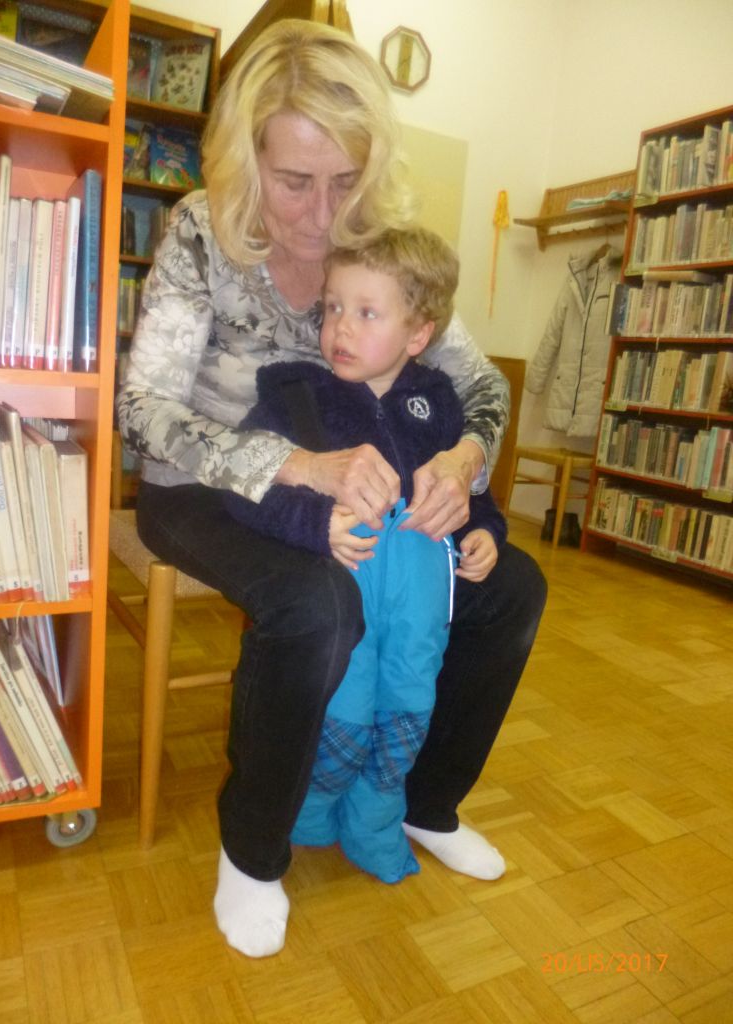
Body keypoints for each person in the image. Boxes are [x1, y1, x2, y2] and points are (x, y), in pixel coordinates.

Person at [117, 18, 547, 959]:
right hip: (203, 484)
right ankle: (252, 848)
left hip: (357, 495)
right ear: (247, 161)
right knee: (319, 604)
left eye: (346, 180)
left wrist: (463, 461)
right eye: (294, 181)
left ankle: (427, 801)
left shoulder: (379, 245)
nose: (322, 214)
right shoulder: (200, 231)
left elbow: (483, 388)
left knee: (511, 585)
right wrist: (296, 466)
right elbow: (141, 411)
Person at [222, 227, 508, 886]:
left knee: (407, 709)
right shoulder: (292, 393)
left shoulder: (439, 401)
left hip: (419, 613)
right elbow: (244, 486)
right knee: (343, 714)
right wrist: (314, 522)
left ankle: (378, 822)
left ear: (418, 334)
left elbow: (469, 494)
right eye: (332, 307)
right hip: (344, 597)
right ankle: (312, 811)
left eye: (367, 312)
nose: (340, 327)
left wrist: (487, 531)